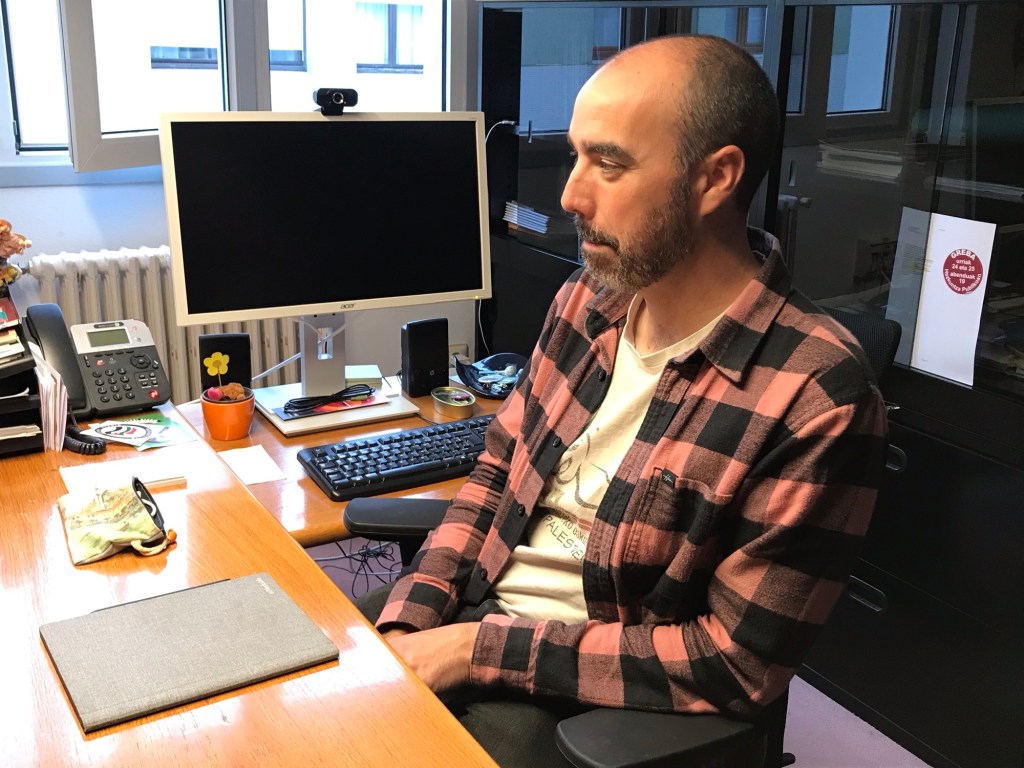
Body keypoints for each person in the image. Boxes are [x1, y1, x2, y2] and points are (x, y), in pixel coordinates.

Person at [357, 33, 888, 767]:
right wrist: (412, 620)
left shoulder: (817, 396)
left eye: (608, 164)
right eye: (576, 156)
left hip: (592, 695)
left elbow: (736, 663)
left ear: (716, 178)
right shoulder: (588, 298)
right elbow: (497, 471)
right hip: (474, 608)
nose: (570, 195)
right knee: (281, 688)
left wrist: (474, 649)